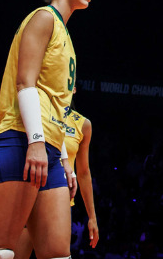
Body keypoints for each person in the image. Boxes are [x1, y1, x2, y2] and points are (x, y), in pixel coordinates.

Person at [0, 0, 96, 259]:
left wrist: (65, 162)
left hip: (51, 152)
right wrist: (37, 142)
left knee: (58, 254)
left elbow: (58, 106)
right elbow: (24, 83)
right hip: (20, 139)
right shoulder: (43, 18)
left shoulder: (65, 34)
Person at [12, 107, 99, 258]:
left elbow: (84, 173)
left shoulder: (82, 124)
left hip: (60, 202)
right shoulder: (37, 111)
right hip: (28, 195)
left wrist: (92, 217)